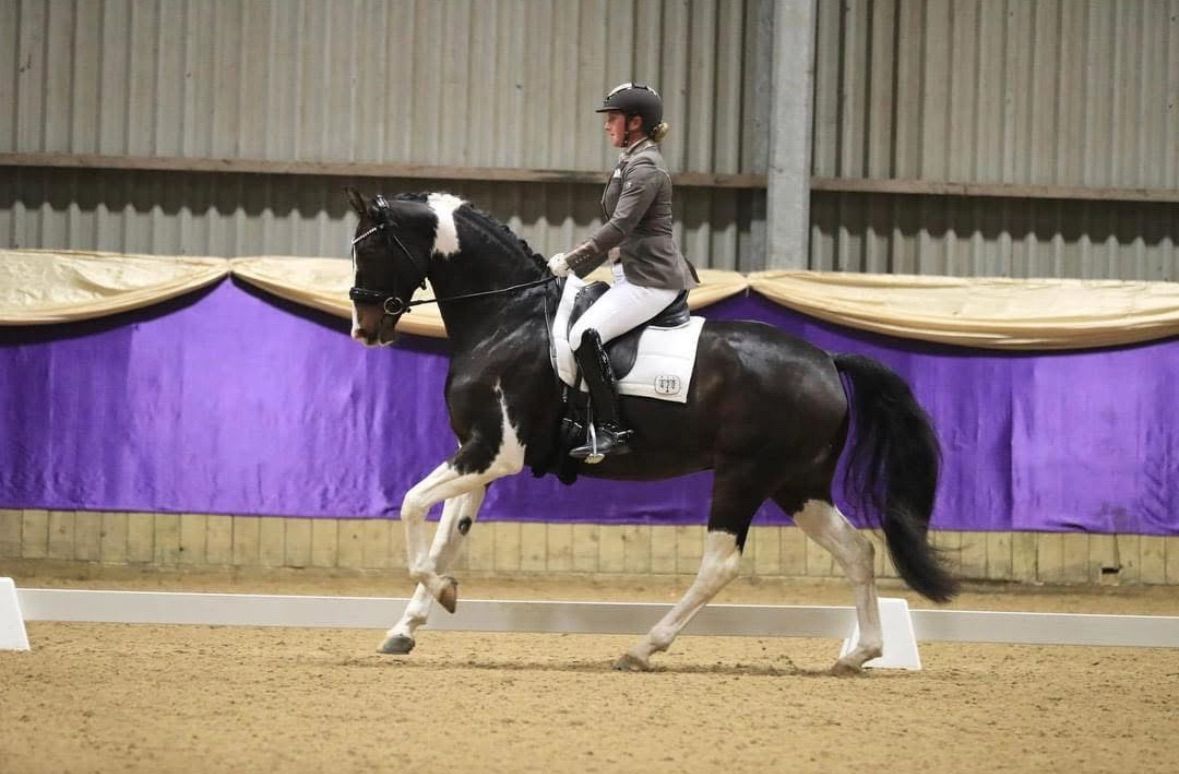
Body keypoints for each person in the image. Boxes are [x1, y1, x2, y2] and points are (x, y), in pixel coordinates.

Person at [548, 82, 699, 461]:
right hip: (629, 274)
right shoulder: (630, 160)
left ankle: (613, 430)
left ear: (635, 122)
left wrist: (572, 260)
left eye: (612, 118)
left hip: (651, 279)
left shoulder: (646, 166)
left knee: (584, 333)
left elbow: (619, 228)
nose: (606, 125)